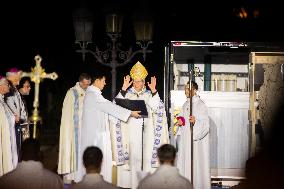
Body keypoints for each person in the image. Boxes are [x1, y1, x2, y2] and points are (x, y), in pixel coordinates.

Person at [113, 61, 169, 189]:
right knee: (133, 160)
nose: (138, 84)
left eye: (140, 81)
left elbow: (158, 108)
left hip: (147, 133)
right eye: (135, 81)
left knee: (146, 159)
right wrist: (123, 89)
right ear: (132, 81)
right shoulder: (127, 94)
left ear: (144, 82)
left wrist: (154, 90)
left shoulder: (149, 95)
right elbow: (115, 108)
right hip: (131, 133)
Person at [77, 72, 141, 183]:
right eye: (104, 80)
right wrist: (130, 113)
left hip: (96, 136)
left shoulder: (94, 94)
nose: (105, 83)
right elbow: (110, 107)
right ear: (97, 80)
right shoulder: (93, 95)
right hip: (96, 138)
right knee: (97, 165)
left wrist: (123, 89)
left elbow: (110, 106)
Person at [57, 73, 92, 183]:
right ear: (80, 82)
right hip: (75, 130)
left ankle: (83, 176)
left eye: (89, 84)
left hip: (86, 129)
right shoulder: (72, 93)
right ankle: (72, 177)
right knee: (73, 152)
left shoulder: (90, 92)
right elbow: (68, 113)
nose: (87, 87)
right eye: (85, 84)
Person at [176, 81, 210, 189]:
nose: (185, 91)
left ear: (194, 90)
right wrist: (181, 121)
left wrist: (196, 122)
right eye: (185, 88)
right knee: (185, 166)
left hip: (195, 145)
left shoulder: (200, 105)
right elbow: (182, 117)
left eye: (188, 89)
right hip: (186, 142)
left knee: (195, 168)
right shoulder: (186, 104)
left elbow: (205, 125)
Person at [5, 68, 27, 155]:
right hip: (11, 126)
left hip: (19, 125)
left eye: (19, 80)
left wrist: (25, 120)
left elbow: (21, 108)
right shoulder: (6, 91)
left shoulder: (15, 90)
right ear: (9, 78)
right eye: (16, 80)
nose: (18, 83)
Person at [0, 76, 18, 176]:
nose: (9, 86)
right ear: (1, 86)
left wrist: (12, 116)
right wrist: (13, 118)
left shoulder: (2, 100)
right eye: (7, 84)